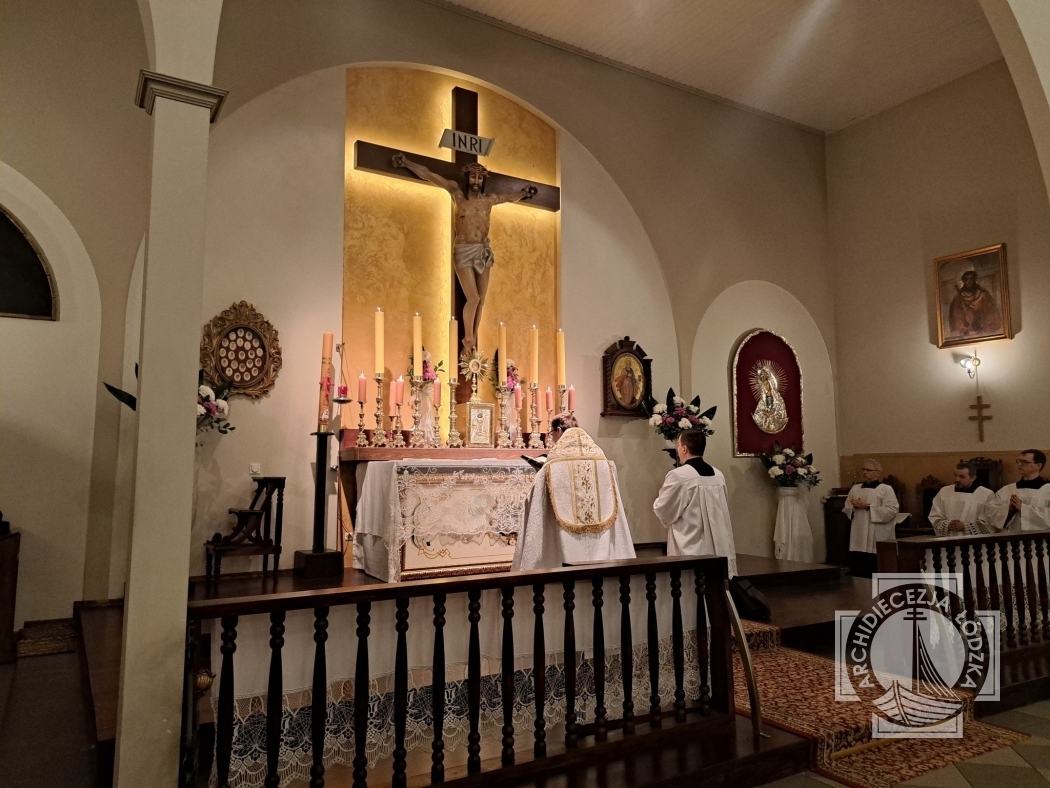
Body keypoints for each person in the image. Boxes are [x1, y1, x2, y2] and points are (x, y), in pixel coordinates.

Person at [392, 152, 536, 354]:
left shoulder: (489, 200)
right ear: (467, 178)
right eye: (473, 177)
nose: (476, 181)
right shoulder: (457, 194)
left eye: (480, 178)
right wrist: (406, 163)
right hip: (463, 250)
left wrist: (524, 193)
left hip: (482, 251)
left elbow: (509, 197)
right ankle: (467, 338)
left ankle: (472, 341)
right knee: (473, 298)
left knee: (481, 300)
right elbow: (429, 174)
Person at [512, 417, 635, 570]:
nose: (552, 437)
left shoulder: (551, 467)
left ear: (558, 430)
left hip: (563, 564)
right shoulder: (604, 464)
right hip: (603, 565)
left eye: (551, 433)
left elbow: (534, 504)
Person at [652, 429, 738, 577]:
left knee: (691, 585)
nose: (677, 449)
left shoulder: (679, 475)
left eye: (678, 445)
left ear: (684, 448)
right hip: (718, 548)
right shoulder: (718, 475)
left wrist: (657, 501)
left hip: (691, 549)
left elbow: (664, 510)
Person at [843, 460, 899, 575]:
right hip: (859, 528)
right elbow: (847, 507)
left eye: (868, 470)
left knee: (875, 564)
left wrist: (868, 507)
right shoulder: (855, 488)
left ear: (877, 473)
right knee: (859, 563)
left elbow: (892, 510)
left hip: (878, 531)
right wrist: (852, 508)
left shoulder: (886, 489)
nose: (864, 472)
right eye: (863, 469)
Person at [982, 450, 1050, 532]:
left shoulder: (1047, 490)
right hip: (1009, 538)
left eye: (1024, 462)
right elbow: (990, 513)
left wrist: (1023, 508)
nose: (1020, 464)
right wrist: (1009, 509)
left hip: (1038, 539)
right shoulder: (1006, 490)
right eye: (1019, 461)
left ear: (1038, 466)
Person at [929, 462, 995, 536]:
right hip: (947, 539)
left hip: (973, 540)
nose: (957, 479)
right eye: (955, 475)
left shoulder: (986, 494)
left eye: (962, 477)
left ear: (973, 478)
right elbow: (935, 515)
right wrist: (948, 525)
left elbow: (990, 521)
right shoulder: (944, 491)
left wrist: (965, 527)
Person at [947, 269, 1002, 338]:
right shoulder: (958, 299)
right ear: (964, 281)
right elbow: (956, 318)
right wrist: (965, 330)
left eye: (971, 278)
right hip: (967, 334)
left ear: (975, 279)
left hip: (984, 331)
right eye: (967, 279)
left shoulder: (984, 295)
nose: (969, 281)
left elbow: (992, 313)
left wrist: (983, 327)